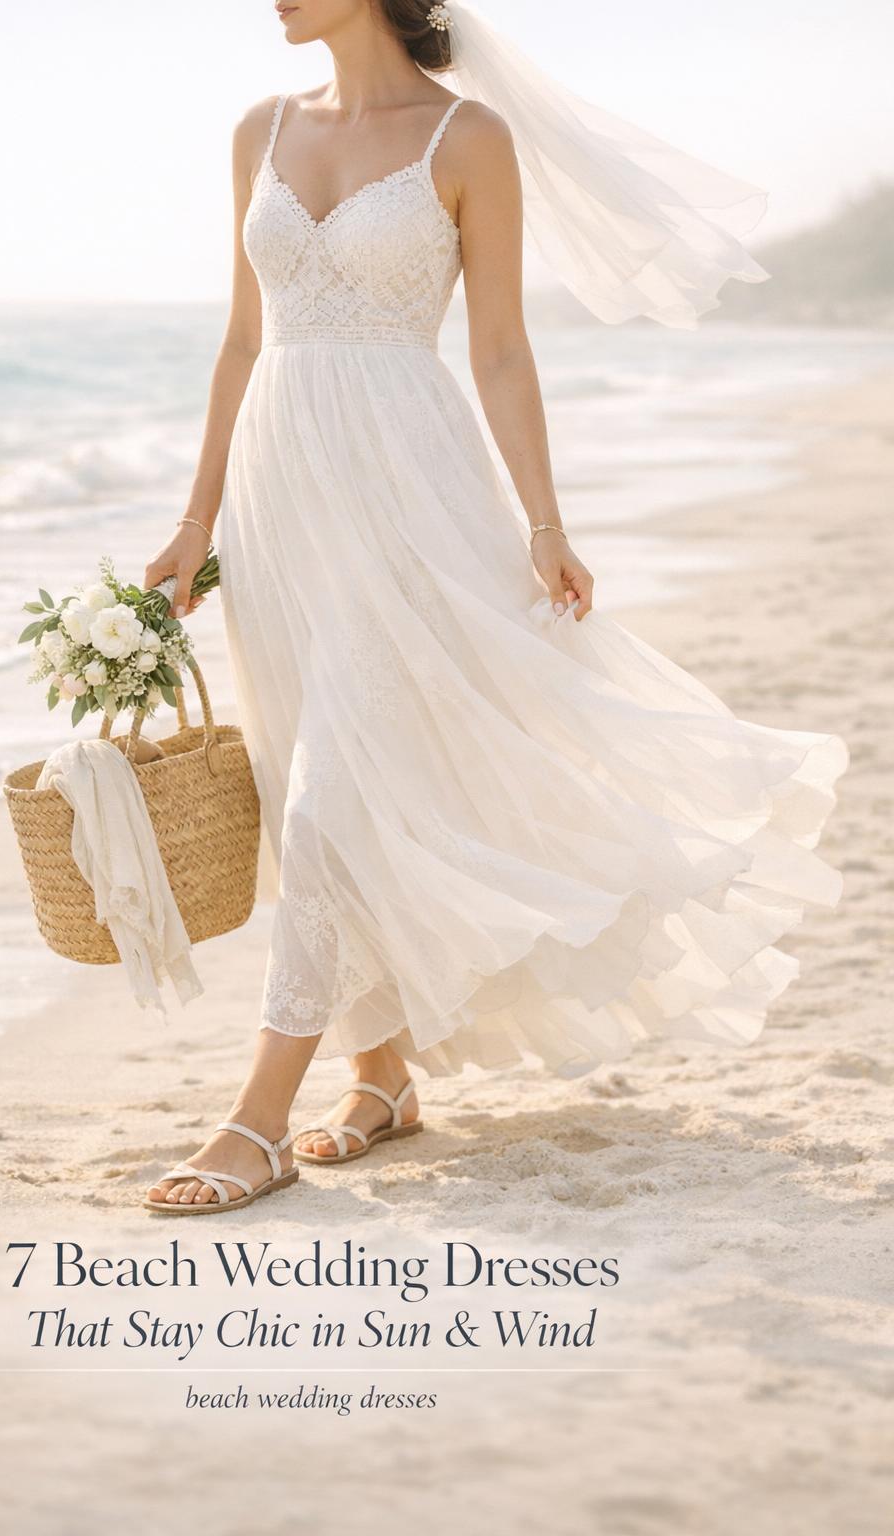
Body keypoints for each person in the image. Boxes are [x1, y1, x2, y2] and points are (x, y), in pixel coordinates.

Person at [142, 0, 845, 1213]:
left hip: (407, 493)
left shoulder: (466, 140)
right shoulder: (256, 129)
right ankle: (381, 1082)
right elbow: (243, 341)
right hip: (278, 502)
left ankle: (254, 1121)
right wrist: (198, 524)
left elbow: (502, 349)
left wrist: (544, 523)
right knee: (302, 772)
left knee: (327, 803)